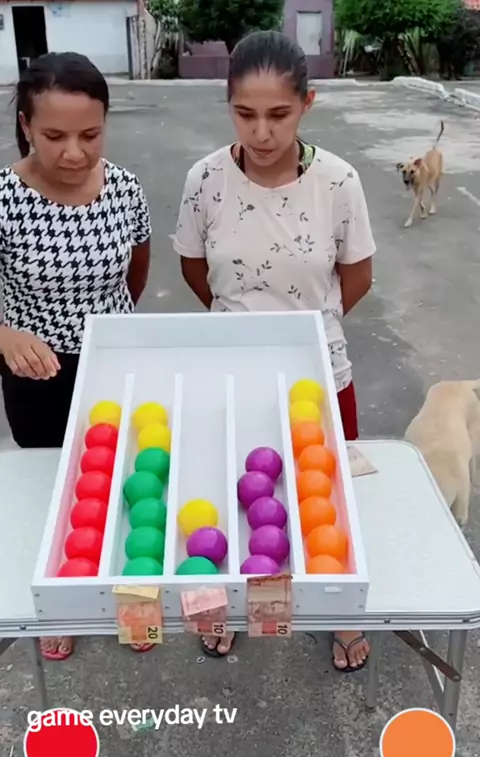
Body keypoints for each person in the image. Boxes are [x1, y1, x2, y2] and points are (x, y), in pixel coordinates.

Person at [173, 31, 375, 673]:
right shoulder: (205, 179)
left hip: (319, 375)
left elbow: (356, 276)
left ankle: (337, 612)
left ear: (307, 104)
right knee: (219, 494)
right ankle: (225, 610)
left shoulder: (338, 181)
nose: (262, 132)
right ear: (228, 105)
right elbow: (195, 268)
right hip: (229, 373)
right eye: (245, 114)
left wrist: (305, 333)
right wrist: (244, 331)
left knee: (323, 503)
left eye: (279, 114)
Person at [0, 52, 152, 660]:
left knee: (135, 490)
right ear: (25, 125)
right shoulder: (4, 199)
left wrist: (110, 331)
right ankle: (60, 608)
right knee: (56, 496)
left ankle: (138, 608)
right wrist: (5, 334)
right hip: (36, 376)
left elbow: (135, 273)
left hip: (115, 368)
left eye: (90, 135)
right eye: (54, 136)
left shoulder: (125, 190)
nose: (73, 153)